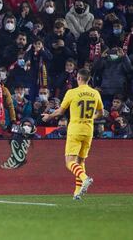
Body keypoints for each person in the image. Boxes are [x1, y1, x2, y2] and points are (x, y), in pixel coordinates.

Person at [42, 68, 104, 200]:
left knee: (69, 162)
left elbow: (60, 112)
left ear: (79, 78)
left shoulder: (72, 92)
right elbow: (101, 113)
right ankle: (77, 192)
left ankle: (85, 178)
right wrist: (91, 118)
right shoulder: (95, 93)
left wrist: (48, 116)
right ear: (88, 79)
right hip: (88, 130)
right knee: (80, 161)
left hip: (75, 128)